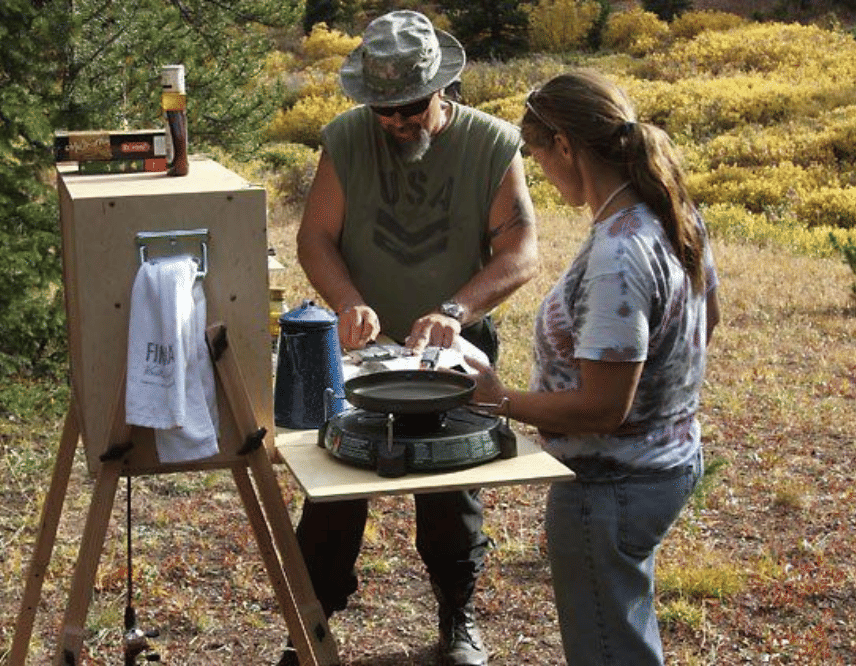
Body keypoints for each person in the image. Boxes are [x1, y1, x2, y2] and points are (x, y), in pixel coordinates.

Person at [279, 10, 539, 666]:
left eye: (410, 108)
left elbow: (520, 250)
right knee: (334, 487)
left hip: (454, 349)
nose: (395, 122)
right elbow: (316, 236)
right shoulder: (344, 139)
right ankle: (308, 633)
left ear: (441, 90)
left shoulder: (492, 143)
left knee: (453, 488)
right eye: (382, 110)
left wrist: (456, 308)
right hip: (363, 348)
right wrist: (348, 301)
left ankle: (460, 619)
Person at [464, 69, 721, 665]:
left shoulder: (617, 255)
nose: (542, 174)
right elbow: (706, 323)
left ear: (565, 147)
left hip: (611, 487)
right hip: (665, 464)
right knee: (625, 636)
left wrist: (497, 398)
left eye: (537, 154)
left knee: (609, 652)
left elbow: (603, 407)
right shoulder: (672, 214)